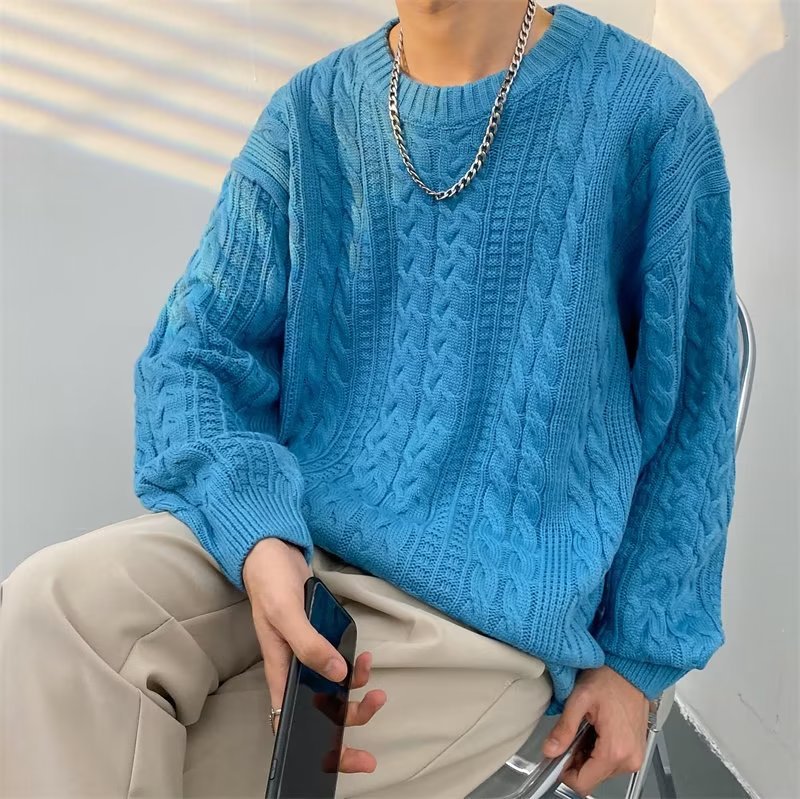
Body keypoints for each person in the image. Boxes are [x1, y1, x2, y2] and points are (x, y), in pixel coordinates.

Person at [0, 1, 740, 797]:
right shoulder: (310, 114)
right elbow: (195, 355)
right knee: (48, 613)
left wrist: (635, 664)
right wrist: (258, 536)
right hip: (289, 536)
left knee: (177, 764)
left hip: (484, 611)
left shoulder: (647, 112)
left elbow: (692, 413)